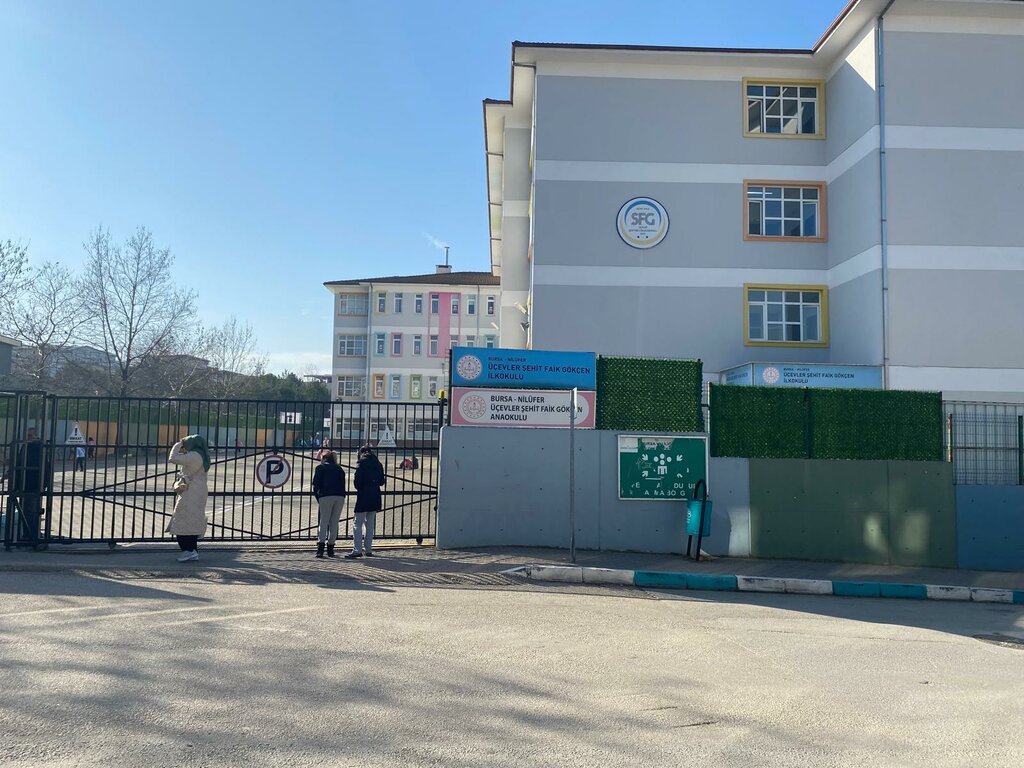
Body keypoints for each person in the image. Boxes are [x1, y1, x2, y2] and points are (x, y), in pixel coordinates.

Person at [166, 435, 211, 562]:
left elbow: (173, 458)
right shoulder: (201, 454)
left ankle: (188, 550)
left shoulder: (194, 456)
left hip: (191, 491)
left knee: (183, 520)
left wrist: (178, 444)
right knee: (192, 520)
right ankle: (192, 551)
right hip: (198, 490)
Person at [9, 428, 51, 546]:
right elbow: (19, 463)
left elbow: (35, 465)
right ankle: (30, 534)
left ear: (36, 437)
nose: (27, 438)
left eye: (30, 436)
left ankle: (32, 535)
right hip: (26, 484)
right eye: (26, 436)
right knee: (27, 510)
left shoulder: (37, 447)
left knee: (30, 510)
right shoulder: (27, 447)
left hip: (32, 483)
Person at [347, 444, 384, 559]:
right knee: (370, 524)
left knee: (357, 523)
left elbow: (357, 482)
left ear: (361, 453)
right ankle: (368, 549)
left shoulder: (361, 463)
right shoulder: (378, 464)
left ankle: (357, 549)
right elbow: (381, 481)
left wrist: (361, 485)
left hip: (364, 496)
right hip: (375, 495)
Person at [311, 451, 346, 558]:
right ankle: (331, 548)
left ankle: (320, 548)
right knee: (334, 522)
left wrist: (319, 497)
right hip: (339, 496)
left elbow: (316, 484)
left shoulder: (320, 468)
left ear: (324, 458)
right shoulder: (339, 468)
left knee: (324, 522)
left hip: (326, 495)